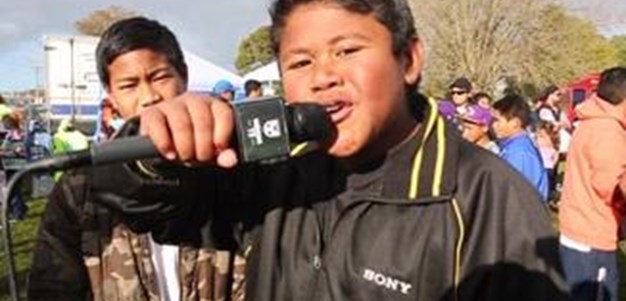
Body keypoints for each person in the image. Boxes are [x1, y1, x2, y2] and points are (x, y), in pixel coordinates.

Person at [89, 1, 569, 300]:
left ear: (409, 59)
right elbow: (145, 204)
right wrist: (158, 144)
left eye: (347, 51)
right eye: (300, 61)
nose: (323, 76)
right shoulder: (275, 170)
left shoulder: (488, 198)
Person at [28, 17, 245, 301]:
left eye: (160, 77)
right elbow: (52, 288)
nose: (150, 97)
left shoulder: (230, 166)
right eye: (129, 85)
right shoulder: (80, 185)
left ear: (184, 77)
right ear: (112, 97)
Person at [558, 67, 626, 301]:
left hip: (579, 225)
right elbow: (610, 185)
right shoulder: (608, 131)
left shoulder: (591, 121)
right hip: (592, 233)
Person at [492, 94, 549, 201]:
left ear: (515, 123)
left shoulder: (519, 153)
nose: (493, 125)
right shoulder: (511, 147)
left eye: (497, 120)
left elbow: (515, 195)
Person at [534, 121, 559, 202]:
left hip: (547, 167)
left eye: (541, 136)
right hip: (545, 167)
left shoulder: (550, 147)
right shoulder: (542, 148)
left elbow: (555, 156)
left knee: (548, 184)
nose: (538, 139)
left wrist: (552, 164)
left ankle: (549, 196)